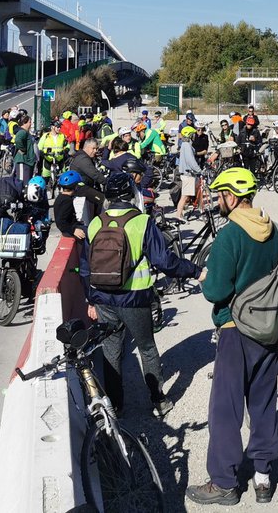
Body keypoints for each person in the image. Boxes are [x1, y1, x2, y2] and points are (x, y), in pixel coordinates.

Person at [185, 167, 278, 506]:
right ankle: (263, 478)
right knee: (263, 401)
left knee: (226, 408)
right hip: (268, 330)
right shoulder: (276, 231)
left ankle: (224, 483)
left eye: (220, 195)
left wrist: (208, 279)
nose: (218, 200)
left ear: (232, 196)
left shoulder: (229, 236)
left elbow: (216, 290)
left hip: (236, 331)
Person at [81, 172, 198, 417]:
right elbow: (164, 261)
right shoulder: (142, 222)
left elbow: (84, 268)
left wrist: (90, 299)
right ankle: (159, 400)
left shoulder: (94, 223)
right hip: (134, 298)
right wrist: (194, 270)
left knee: (111, 351)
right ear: (131, 195)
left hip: (103, 300)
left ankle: (116, 406)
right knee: (146, 347)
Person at [176, 126, 203, 218]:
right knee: (184, 197)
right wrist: (199, 170)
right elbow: (190, 160)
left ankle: (180, 214)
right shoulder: (187, 146)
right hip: (188, 174)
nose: (194, 136)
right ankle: (178, 216)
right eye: (193, 134)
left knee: (186, 196)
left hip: (187, 173)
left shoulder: (185, 144)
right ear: (190, 135)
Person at [53, 169, 86, 240]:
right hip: (69, 231)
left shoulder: (61, 197)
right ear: (75, 187)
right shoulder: (67, 201)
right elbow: (60, 221)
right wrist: (73, 230)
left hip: (70, 229)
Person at [11, 112, 34, 182]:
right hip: (23, 161)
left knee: (26, 182)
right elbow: (18, 139)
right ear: (25, 123)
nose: (31, 124)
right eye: (30, 122)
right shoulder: (22, 132)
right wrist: (23, 149)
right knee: (22, 183)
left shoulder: (25, 132)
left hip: (27, 162)